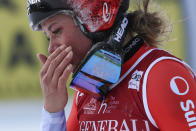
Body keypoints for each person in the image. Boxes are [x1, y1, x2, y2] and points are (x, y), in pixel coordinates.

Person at [27, 0, 196, 130]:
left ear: (94, 18)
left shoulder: (161, 75)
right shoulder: (89, 92)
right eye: (48, 37)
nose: (51, 48)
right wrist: (53, 112)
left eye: (56, 31)